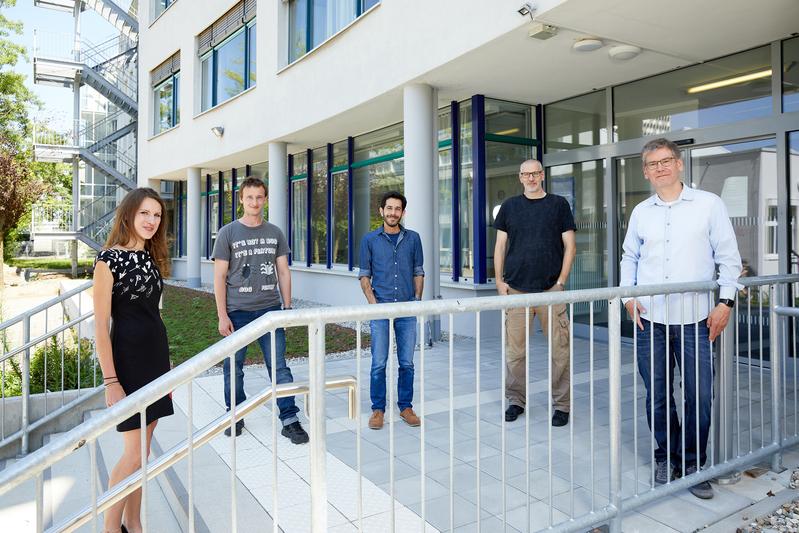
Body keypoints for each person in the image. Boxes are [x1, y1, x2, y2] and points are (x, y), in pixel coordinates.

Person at [620, 137, 742, 500]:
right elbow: (629, 257)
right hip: (651, 320)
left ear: (679, 164)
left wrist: (725, 303)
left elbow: (729, 258)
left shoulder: (709, 205)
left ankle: (693, 464)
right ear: (645, 171)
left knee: (699, 395)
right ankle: (665, 456)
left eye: (665, 161)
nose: (660, 168)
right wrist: (628, 295)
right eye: (652, 164)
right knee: (657, 396)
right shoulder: (641, 212)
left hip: (696, 320)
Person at [94, 187, 175, 533]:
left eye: (156, 215)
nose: (151, 221)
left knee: (142, 453)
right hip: (127, 363)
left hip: (155, 361)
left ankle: (134, 522)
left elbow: (154, 318)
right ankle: (111, 528)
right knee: (132, 453)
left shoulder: (151, 259)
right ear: (129, 214)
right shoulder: (107, 260)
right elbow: (99, 326)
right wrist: (111, 380)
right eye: (145, 213)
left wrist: (168, 369)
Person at [212, 177, 308, 444]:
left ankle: (290, 419)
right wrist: (222, 315)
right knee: (234, 368)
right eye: (250, 197)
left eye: (260, 197)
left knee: (279, 367)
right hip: (237, 312)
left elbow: (283, 271)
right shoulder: (228, 233)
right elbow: (219, 277)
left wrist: (287, 307)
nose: (255, 202)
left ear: (265, 199)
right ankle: (236, 414)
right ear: (241, 199)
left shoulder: (275, 232)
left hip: (270, 311)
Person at [494, 159, 576, 427]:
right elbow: (500, 246)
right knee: (515, 353)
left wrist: (561, 283)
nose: (530, 178)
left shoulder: (558, 204)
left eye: (535, 173)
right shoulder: (509, 207)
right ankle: (516, 400)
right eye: (525, 174)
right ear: (520, 177)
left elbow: (570, 246)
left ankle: (561, 405)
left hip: (551, 290)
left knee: (560, 352)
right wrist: (499, 282)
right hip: (517, 290)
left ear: (542, 175)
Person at [359, 191, 424, 430]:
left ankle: (405, 407)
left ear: (403, 212)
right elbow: (364, 276)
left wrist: (417, 300)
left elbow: (419, 270)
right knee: (379, 362)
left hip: (407, 308)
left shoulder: (414, 238)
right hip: (381, 308)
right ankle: (378, 409)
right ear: (381, 211)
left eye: (397, 209)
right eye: (389, 208)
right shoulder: (369, 240)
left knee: (406, 362)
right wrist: (374, 306)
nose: (393, 213)